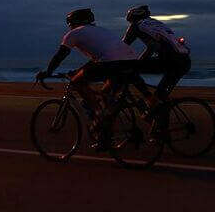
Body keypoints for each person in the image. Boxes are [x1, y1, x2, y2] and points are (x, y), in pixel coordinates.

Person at [37, 8, 141, 144]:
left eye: (70, 24)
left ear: (73, 23)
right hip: (132, 62)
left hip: (111, 63)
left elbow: (60, 55)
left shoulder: (74, 33)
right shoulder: (101, 31)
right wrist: (80, 70)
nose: (70, 26)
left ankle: (99, 114)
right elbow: (98, 58)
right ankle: (105, 134)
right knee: (107, 96)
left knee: (76, 83)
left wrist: (48, 71)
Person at [122, 5, 191, 109]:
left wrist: (140, 61)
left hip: (170, 61)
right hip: (184, 62)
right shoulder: (157, 24)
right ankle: (157, 111)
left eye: (130, 21)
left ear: (133, 18)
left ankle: (147, 97)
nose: (130, 24)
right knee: (159, 98)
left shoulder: (137, 26)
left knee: (130, 70)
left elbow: (122, 46)